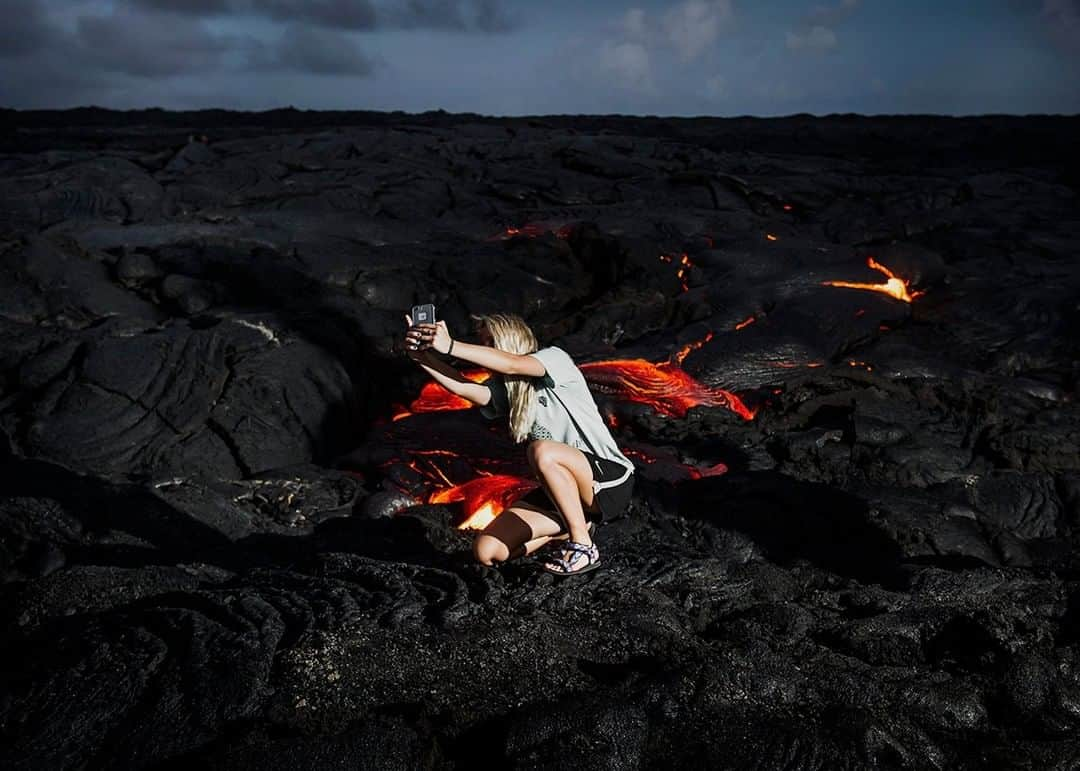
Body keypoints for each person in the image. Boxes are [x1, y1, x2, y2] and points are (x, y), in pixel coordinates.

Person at [403, 311, 635, 575]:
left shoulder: (554, 359)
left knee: (541, 450)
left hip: (610, 481)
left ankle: (582, 544)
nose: (484, 350)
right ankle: (573, 526)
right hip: (565, 491)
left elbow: (513, 364)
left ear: (509, 338)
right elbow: (465, 389)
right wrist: (421, 357)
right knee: (487, 551)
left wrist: (451, 346)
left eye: (489, 342)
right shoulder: (508, 389)